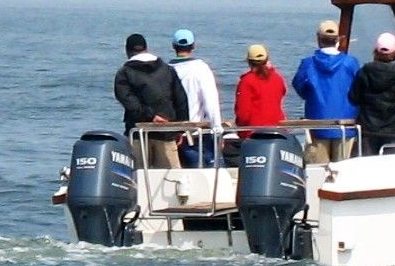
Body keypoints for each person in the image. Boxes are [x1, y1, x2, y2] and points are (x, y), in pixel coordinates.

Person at [114, 33, 189, 168]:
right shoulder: (167, 70)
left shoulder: (124, 73)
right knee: (172, 179)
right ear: (147, 48)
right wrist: (180, 129)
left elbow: (129, 102)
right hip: (166, 131)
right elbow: (181, 100)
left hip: (138, 133)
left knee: (139, 178)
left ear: (127, 51)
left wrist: (151, 116)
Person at [292, 19, 360, 162]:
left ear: (318, 39)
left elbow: (299, 87)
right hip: (345, 125)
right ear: (338, 40)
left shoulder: (308, 63)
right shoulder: (351, 62)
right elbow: (359, 90)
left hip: (317, 123)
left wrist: (312, 97)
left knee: (317, 174)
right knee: (343, 174)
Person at [169, 28, 223, 166]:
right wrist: (217, 128)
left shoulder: (167, 69)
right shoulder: (201, 68)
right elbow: (211, 101)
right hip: (198, 132)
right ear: (193, 46)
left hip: (175, 133)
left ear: (174, 46)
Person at [234, 44, 286, 137]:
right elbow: (283, 92)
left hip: (254, 134)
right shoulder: (277, 78)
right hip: (277, 131)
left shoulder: (246, 81)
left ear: (249, 61)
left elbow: (243, 115)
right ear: (267, 60)